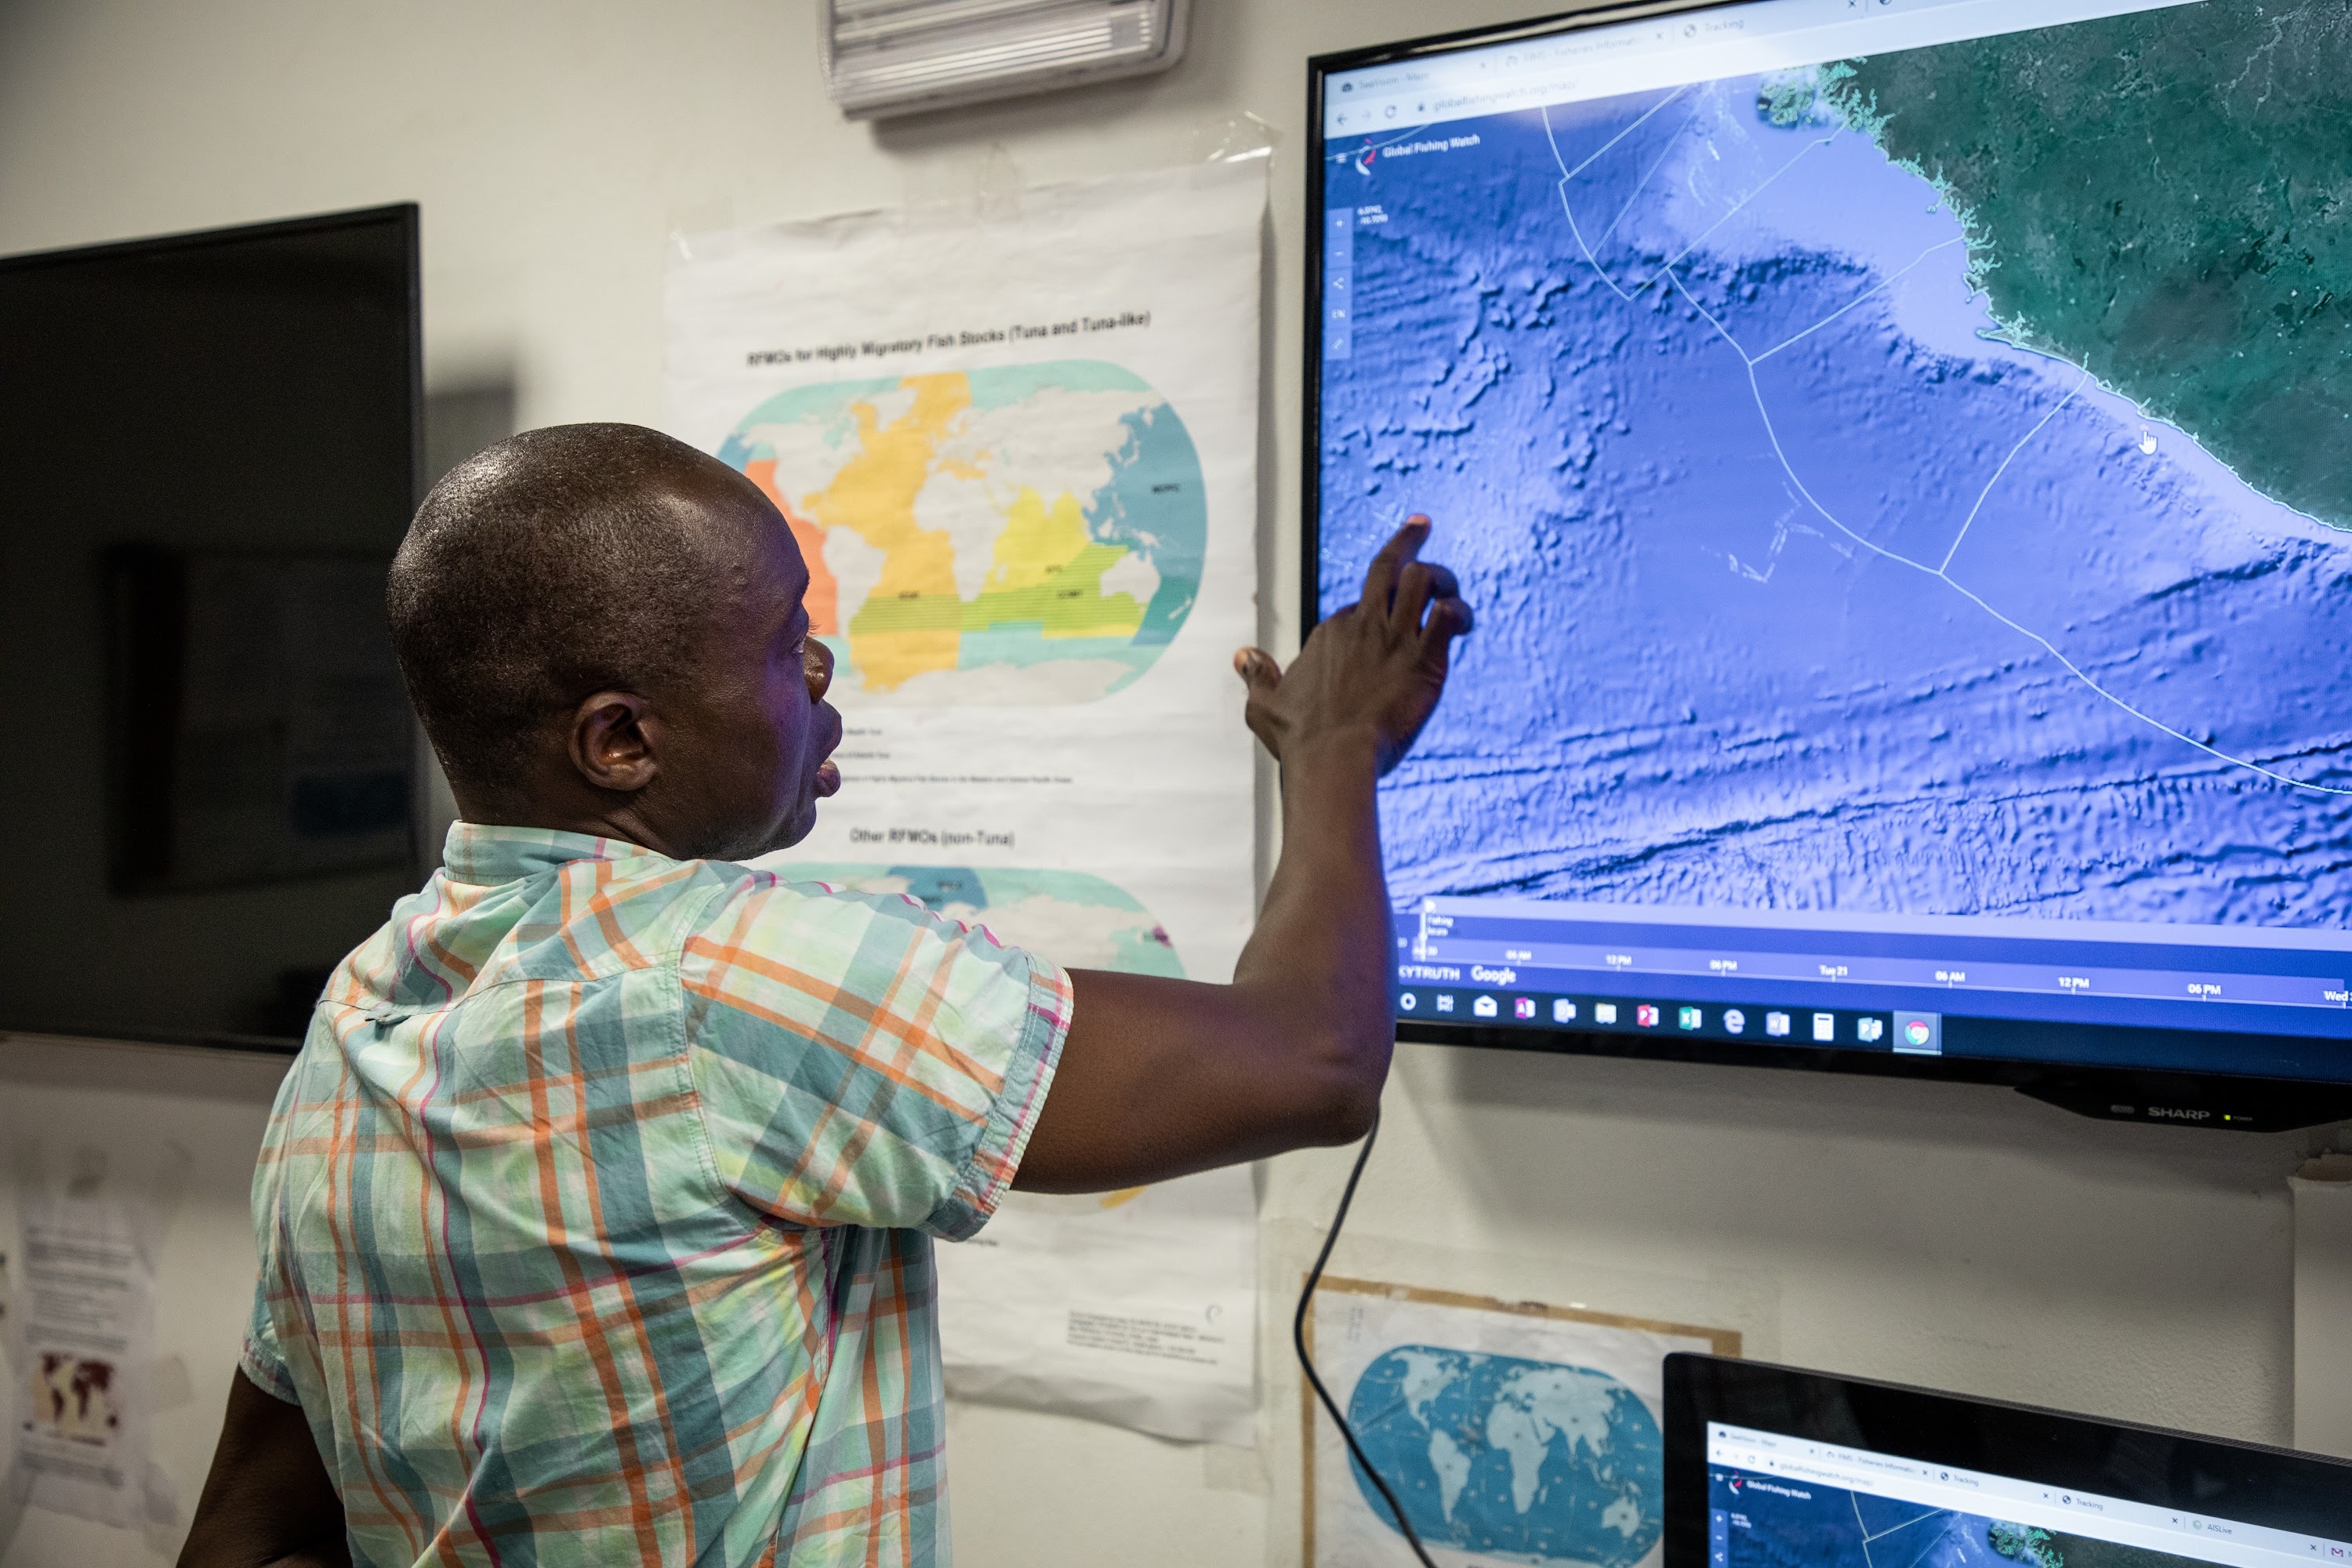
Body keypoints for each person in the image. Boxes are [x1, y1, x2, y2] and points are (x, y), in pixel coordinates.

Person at [176, 423, 1471, 1568]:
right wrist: (1337, 748)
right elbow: (1313, 1057)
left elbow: (247, 1527)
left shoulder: (354, 1024)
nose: (821, 674)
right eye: (786, 645)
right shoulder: (729, 983)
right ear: (621, 741)